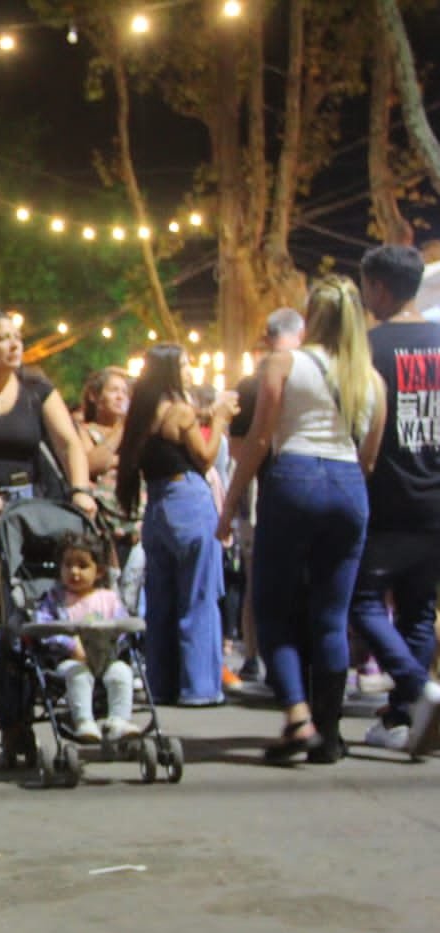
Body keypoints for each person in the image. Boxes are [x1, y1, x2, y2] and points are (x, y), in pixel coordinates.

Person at [219, 277, 386, 763]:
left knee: (273, 607)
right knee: (331, 617)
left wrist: (229, 507)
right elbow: (369, 458)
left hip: (294, 478)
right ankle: (328, 735)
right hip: (348, 484)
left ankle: (297, 717)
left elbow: (259, 439)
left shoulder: (284, 362)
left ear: (312, 314)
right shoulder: (370, 380)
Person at [0, 309, 96, 623]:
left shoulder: (36, 388)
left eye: (17, 338)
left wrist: (80, 490)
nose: (14, 345)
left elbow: (69, 442)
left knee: (28, 605)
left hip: (27, 509)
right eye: (2, 338)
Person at [350, 245, 440, 754]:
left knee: (360, 602)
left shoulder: (367, 348)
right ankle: (404, 718)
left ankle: (415, 690)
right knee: (419, 613)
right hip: (435, 501)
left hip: (385, 498)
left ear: (380, 287)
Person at [117, 344, 233, 707]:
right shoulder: (179, 411)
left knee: (162, 600)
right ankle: (200, 687)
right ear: (169, 370)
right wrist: (221, 418)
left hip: (157, 507)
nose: (189, 370)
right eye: (184, 364)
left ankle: (163, 683)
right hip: (189, 501)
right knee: (199, 597)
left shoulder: (142, 415)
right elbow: (204, 455)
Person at [31, 531, 140, 744]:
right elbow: (44, 627)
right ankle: (84, 722)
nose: (74, 571)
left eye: (82, 566)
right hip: (71, 660)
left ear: (98, 571)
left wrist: (114, 639)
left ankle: (118, 721)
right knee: (78, 675)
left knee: (122, 673)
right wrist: (70, 644)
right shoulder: (56, 600)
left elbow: (123, 626)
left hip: (105, 657)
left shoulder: (109, 600)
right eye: (68, 565)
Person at [77, 365, 141, 608]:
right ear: (95, 396)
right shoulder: (84, 431)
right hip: (104, 526)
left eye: (124, 392)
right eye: (114, 390)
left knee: (132, 594)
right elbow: (92, 463)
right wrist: (122, 429)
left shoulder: (138, 434)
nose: (120, 396)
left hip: (136, 525)